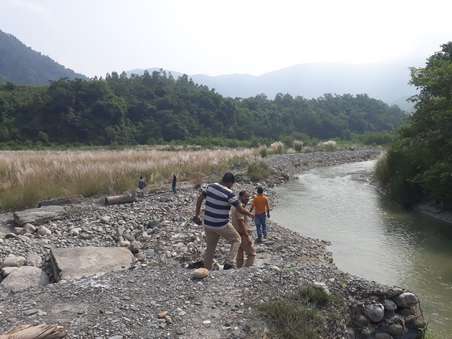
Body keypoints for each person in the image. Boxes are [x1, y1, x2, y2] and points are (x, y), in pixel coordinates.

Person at [193, 172, 254, 270]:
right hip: (221, 224)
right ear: (230, 183)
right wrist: (250, 214)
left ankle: (206, 269)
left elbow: (200, 199)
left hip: (208, 223)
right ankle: (229, 263)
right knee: (237, 239)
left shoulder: (209, 186)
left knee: (210, 248)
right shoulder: (229, 193)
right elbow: (240, 209)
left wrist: (197, 215)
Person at [231, 191, 256, 268]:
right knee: (252, 253)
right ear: (240, 197)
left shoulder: (235, 206)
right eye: (246, 197)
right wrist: (247, 236)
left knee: (240, 255)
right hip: (242, 234)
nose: (247, 199)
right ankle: (247, 270)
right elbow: (240, 222)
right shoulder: (240, 207)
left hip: (237, 234)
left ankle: (239, 270)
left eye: (248, 197)